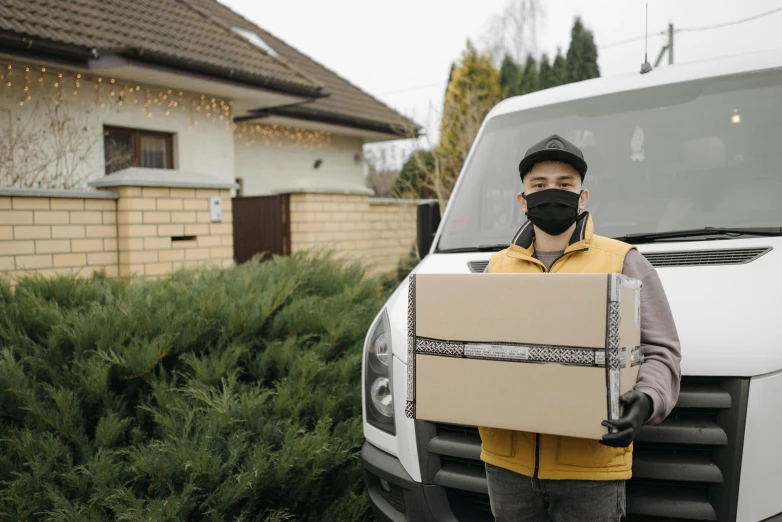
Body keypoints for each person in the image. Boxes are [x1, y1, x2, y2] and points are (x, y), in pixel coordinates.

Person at [481, 134, 682, 522]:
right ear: (522, 200)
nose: (551, 193)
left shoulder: (624, 262)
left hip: (590, 468)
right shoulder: (496, 268)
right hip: (507, 468)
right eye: (539, 185)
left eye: (564, 185)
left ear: (583, 197)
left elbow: (661, 350)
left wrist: (647, 400)